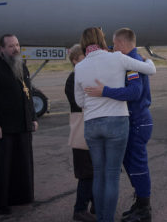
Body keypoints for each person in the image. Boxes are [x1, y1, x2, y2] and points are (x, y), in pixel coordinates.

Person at [74, 27, 156, 222]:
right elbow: (150, 70)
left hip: (131, 120)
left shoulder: (131, 63)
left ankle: (143, 208)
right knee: (115, 173)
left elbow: (135, 92)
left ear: (122, 43)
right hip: (120, 121)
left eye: (116, 43)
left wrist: (104, 92)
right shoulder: (122, 60)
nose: (113, 47)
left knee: (131, 167)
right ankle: (131, 208)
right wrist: (148, 60)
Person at [0, 34, 38, 215]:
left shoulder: (21, 66)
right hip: (3, 127)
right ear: (2, 49)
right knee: (3, 167)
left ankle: (21, 197)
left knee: (23, 164)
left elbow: (28, 93)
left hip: (22, 125)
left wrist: (33, 117)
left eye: (17, 45)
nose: (15, 49)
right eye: (11, 46)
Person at [65, 44, 95, 222]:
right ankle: (80, 209)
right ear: (75, 60)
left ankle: (96, 204)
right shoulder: (73, 79)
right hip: (82, 130)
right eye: (83, 58)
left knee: (93, 171)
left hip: (89, 128)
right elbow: (80, 103)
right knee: (86, 172)